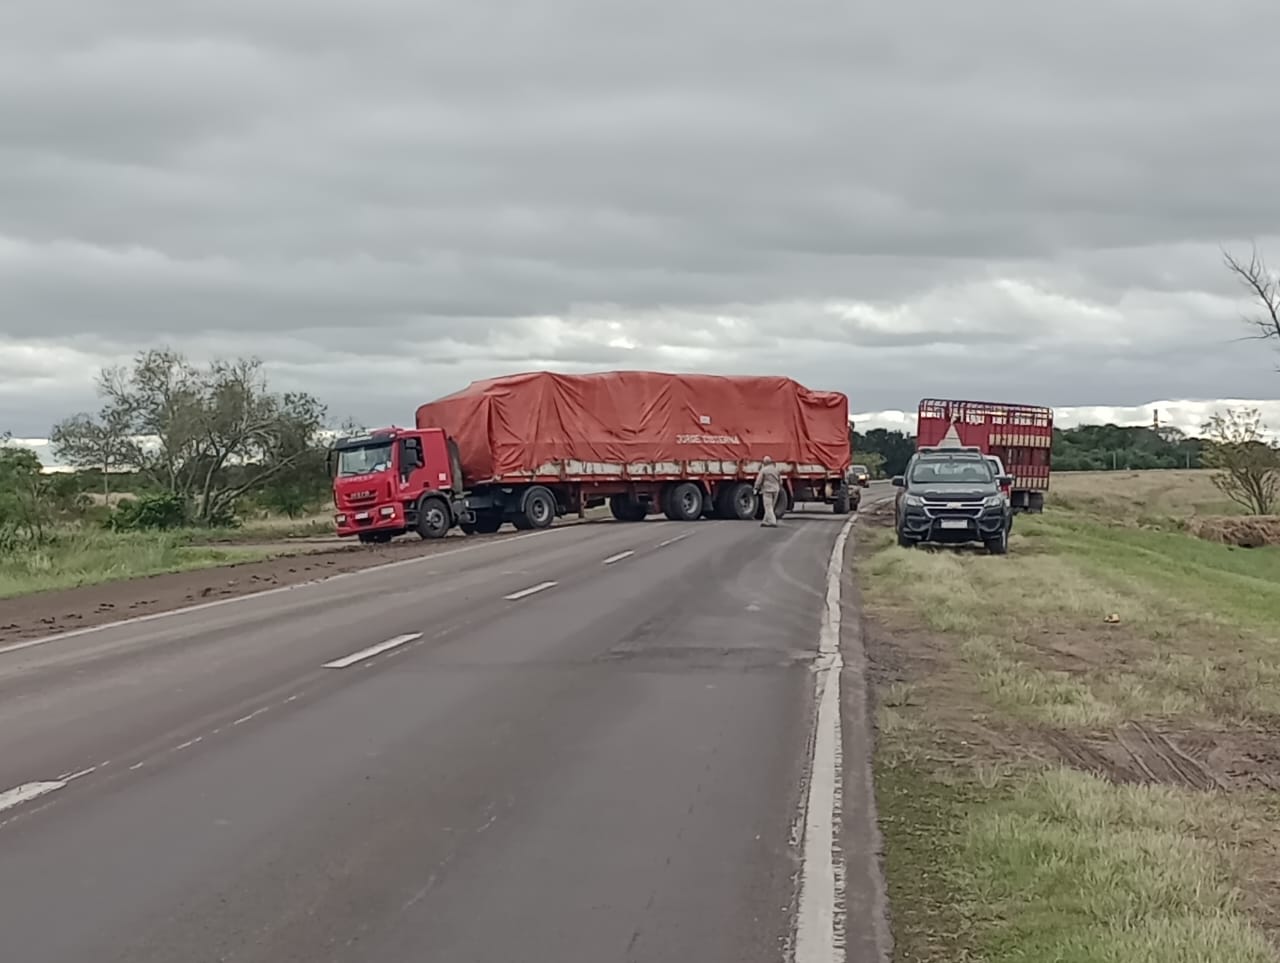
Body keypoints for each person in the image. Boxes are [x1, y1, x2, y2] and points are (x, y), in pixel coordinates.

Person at [753, 456, 782, 527]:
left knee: (768, 507)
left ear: (764, 463)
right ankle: (765, 521)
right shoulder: (776, 470)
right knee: (771, 506)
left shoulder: (764, 470)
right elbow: (780, 481)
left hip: (767, 490)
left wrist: (756, 488)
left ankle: (773, 521)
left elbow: (759, 481)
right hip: (776, 490)